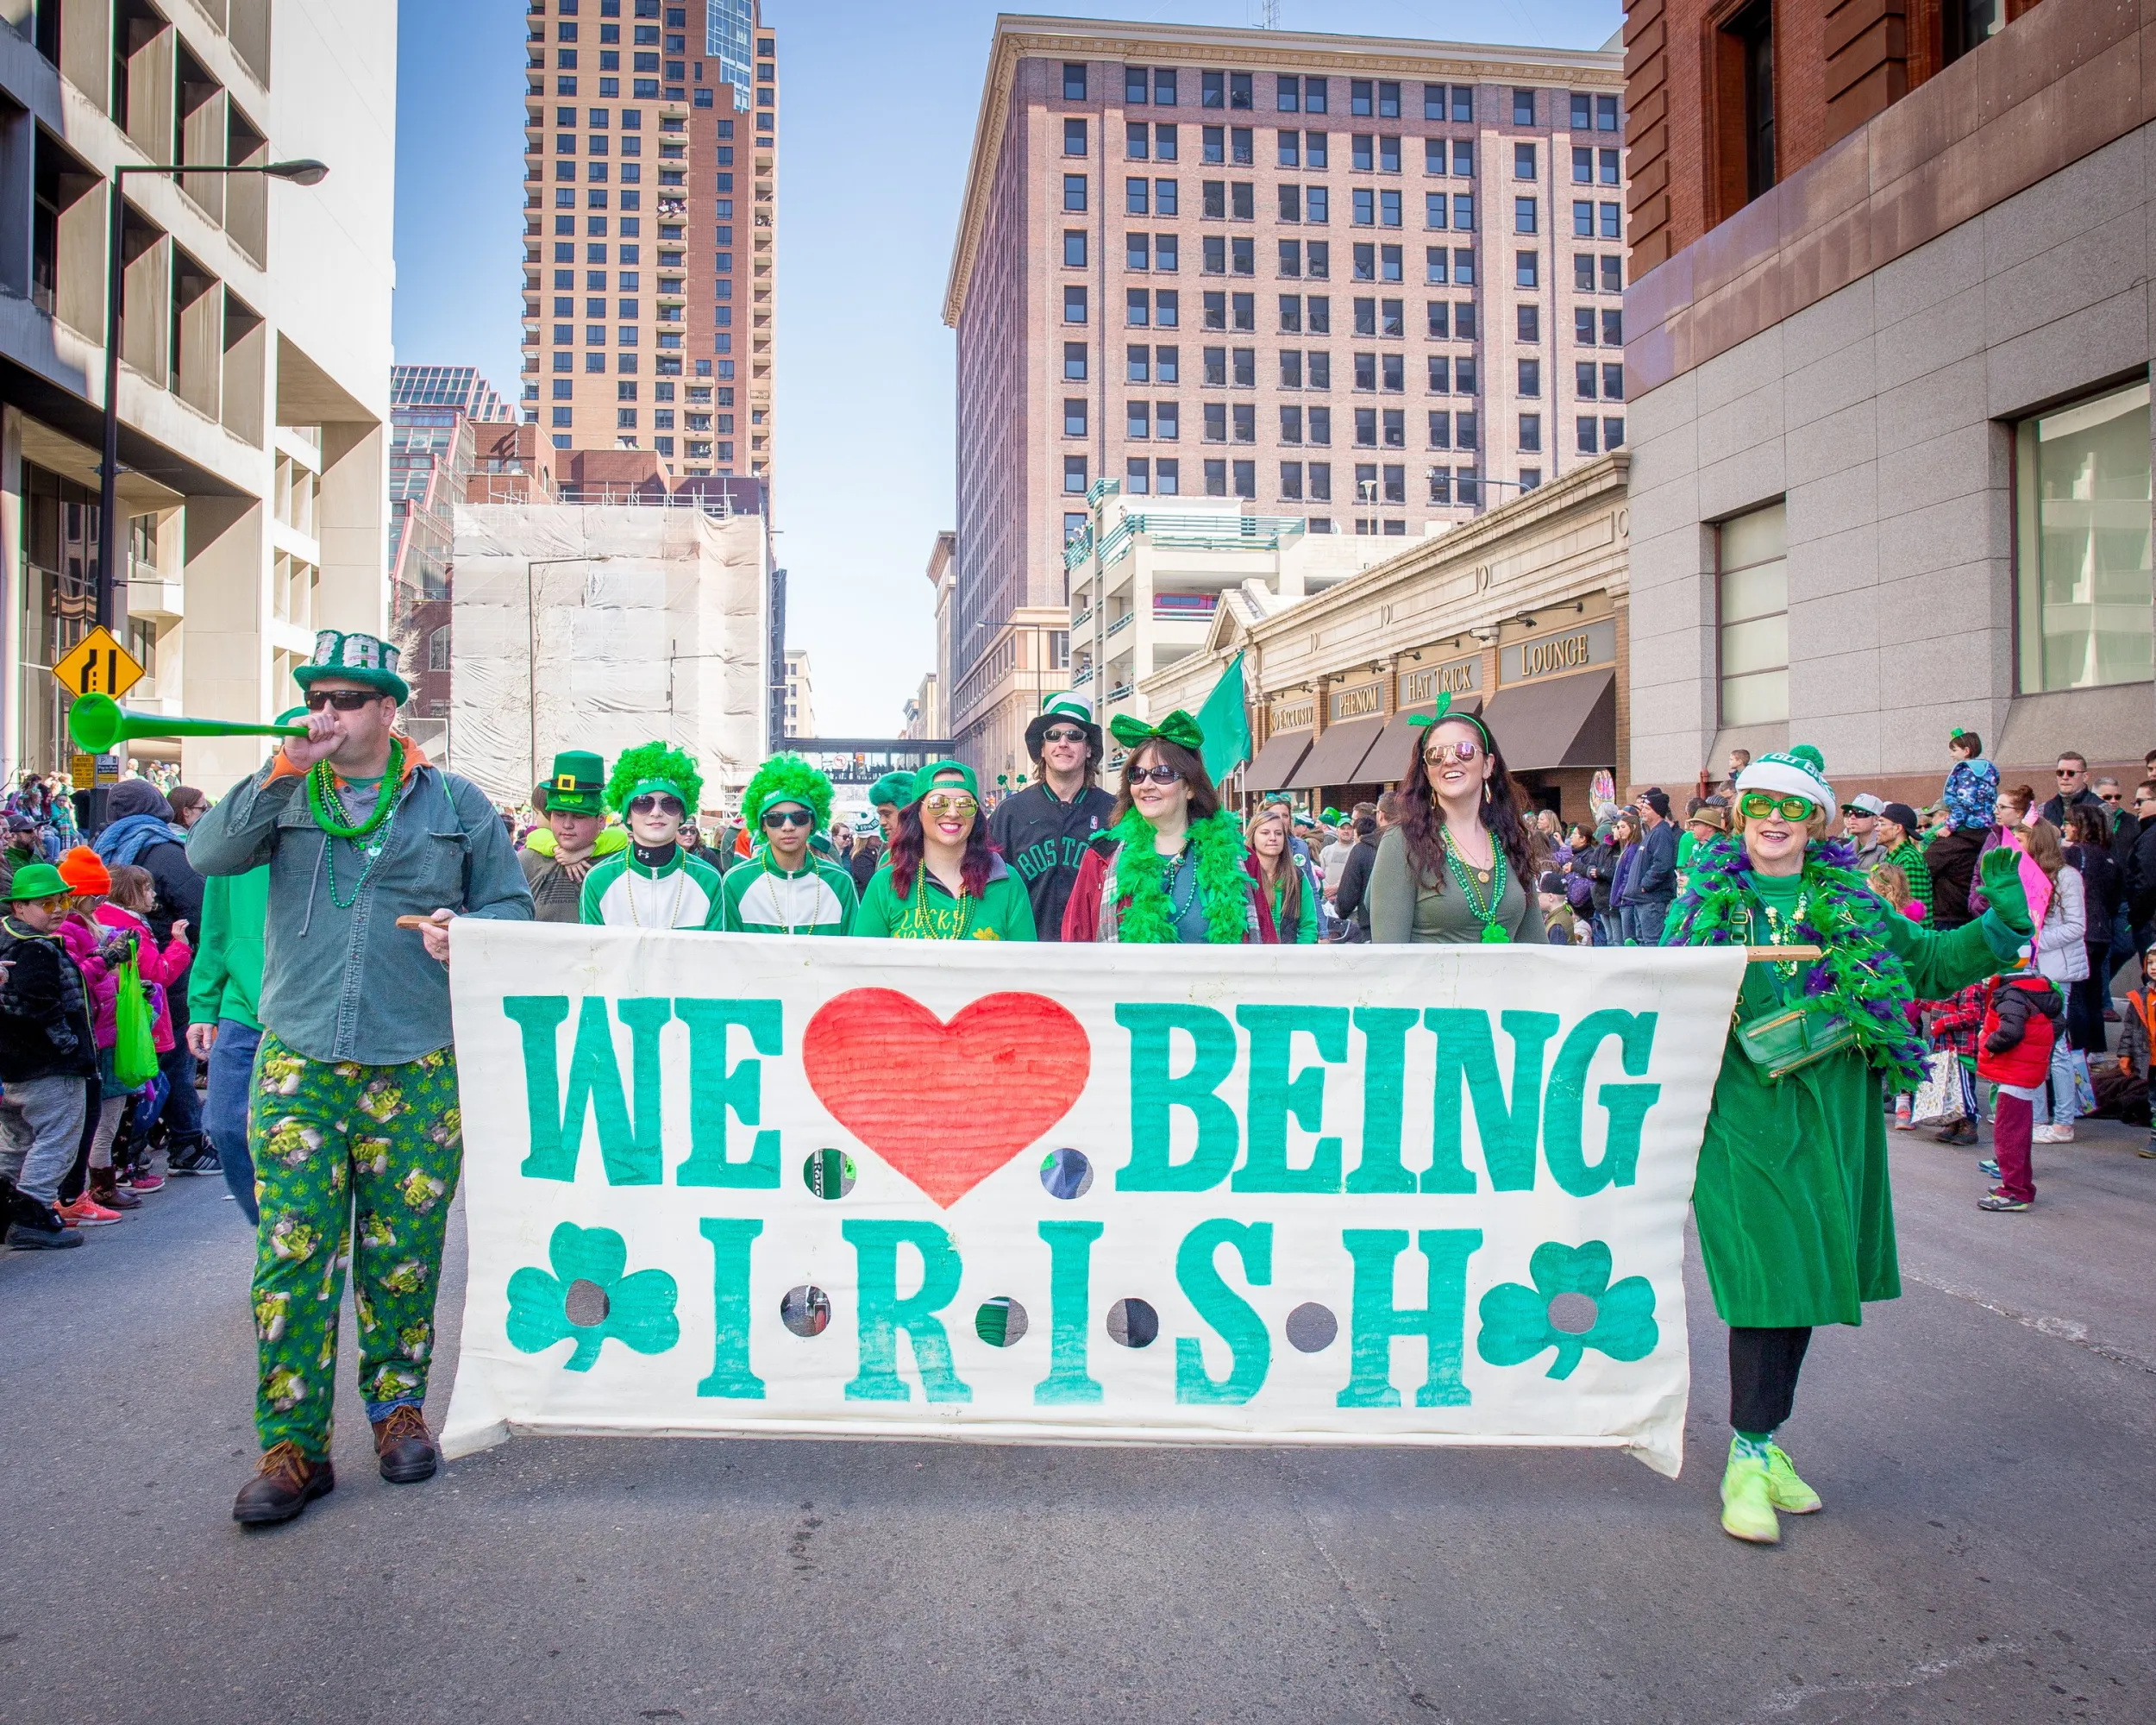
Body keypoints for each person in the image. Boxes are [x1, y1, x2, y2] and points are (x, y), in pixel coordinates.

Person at [188, 627, 534, 1526]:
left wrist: (467, 928)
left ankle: (397, 1411)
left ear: (390, 709)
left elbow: (511, 906)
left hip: (415, 1057)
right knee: (293, 1253)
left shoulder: (455, 803)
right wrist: (277, 769)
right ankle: (292, 1443)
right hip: (300, 1054)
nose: (327, 712)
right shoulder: (288, 790)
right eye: (318, 697)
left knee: (404, 1253)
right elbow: (209, 857)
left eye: (348, 699)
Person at [1662, 743, 2031, 1545]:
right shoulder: (1699, 906)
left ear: (1817, 821)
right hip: (1741, 1117)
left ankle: (1763, 1445)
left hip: (1833, 1118)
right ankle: (1748, 1455)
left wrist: (1998, 929)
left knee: (1806, 1277)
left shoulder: (1856, 904)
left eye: (1793, 808)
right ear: (1738, 815)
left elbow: (1931, 965)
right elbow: (1653, 999)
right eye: (1758, 805)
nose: (1773, 822)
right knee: (1767, 1277)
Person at [95, 776, 213, 1176]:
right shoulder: (163, 848)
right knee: (173, 1060)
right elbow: (200, 907)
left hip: (119, 980)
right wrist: (188, 948)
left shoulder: (105, 845)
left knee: (137, 1067)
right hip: (163, 969)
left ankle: (131, 1153)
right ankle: (186, 1142)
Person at [1062, 711, 1264, 944]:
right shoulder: (1101, 860)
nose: (1147, 785)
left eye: (1163, 774)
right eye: (1137, 775)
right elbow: (1075, 950)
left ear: (1190, 788)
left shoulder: (1240, 861)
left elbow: (1268, 952)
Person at [1369, 692, 1545, 944]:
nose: (1450, 760)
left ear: (1487, 765)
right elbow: (1389, 958)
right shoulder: (1401, 843)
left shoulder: (1511, 840)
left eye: (1464, 750)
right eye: (1436, 755)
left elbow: (1536, 947)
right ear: (1428, 773)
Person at [0, 862, 94, 1249]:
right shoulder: (34, 948)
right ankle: (33, 1213)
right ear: (19, 907)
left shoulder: (9, 941)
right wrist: (68, 1045)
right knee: (57, 1139)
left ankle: (9, 1214)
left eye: (62, 899)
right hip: (47, 1067)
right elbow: (40, 1006)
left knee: (16, 1143)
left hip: (14, 1069)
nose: (57, 909)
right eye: (46, 902)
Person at [987, 693, 1117, 943]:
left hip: (1095, 958)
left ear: (1088, 749)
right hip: (1025, 954)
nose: (1063, 743)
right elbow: (989, 889)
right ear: (1042, 749)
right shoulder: (1011, 813)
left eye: (1075, 736)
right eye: (1054, 736)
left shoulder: (1113, 812)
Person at [856, 761, 1035, 939]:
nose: (952, 813)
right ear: (918, 812)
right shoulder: (885, 883)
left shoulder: (1007, 883)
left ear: (975, 815)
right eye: (937, 803)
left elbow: (1025, 964)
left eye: (964, 804)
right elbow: (863, 963)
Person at [580, 743, 724, 930]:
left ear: (682, 814)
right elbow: (592, 954)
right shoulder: (599, 879)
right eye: (642, 803)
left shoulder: (708, 879)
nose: (656, 812)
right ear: (628, 815)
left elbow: (714, 955)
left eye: (670, 803)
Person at [719, 755, 860, 934]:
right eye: (775, 819)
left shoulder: (839, 881)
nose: (788, 827)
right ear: (763, 825)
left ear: (812, 823)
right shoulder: (736, 881)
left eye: (799, 818)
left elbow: (852, 953)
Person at [1977, 967, 2061, 1213]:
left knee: (2009, 1136)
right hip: (2026, 1072)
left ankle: (2014, 1192)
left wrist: (1989, 1045)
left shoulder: (2012, 994)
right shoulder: (2041, 988)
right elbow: (2057, 1025)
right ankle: (2020, 1186)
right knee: (2019, 1135)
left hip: (2014, 1073)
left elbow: (2011, 1032)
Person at [2023, 818, 2086, 1145]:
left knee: (2057, 1047)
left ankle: (2064, 1121)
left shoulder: (2067, 877)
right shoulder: (2029, 877)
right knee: (2034, 1044)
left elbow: (2077, 926)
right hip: (2032, 970)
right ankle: (2037, 1118)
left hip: (2057, 972)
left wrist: (2037, 939)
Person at [521, 750, 624, 924]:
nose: (567, 824)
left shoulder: (622, 862)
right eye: (559, 815)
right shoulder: (529, 860)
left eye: (579, 816)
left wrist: (590, 849)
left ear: (601, 821)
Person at [2063, 805, 2118, 1059]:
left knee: (2076, 995)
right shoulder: (2108, 856)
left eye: (2068, 823)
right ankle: (2097, 1049)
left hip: (2080, 931)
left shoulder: (2074, 854)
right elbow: (2115, 899)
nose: (2064, 827)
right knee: (2094, 993)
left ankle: (2079, 1050)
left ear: (2079, 826)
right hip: (2102, 932)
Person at [1244, 800, 1319, 944]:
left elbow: (1308, 926)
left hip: (1290, 962)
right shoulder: (1242, 877)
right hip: (1252, 960)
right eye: (1265, 833)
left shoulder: (1298, 877)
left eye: (1278, 833)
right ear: (1253, 837)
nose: (1273, 838)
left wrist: (1296, 960)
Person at [1619, 789, 1677, 945]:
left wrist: (1645, 885)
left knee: (1651, 943)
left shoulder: (1661, 833)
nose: (1642, 811)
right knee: (1643, 942)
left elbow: (1662, 865)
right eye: (1642, 808)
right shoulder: (1652, 833)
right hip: (1643, 900)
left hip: (1652, 900)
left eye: (1647, 808)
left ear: (1658, 812)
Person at [1331, 810, 1382, 941]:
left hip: (1368, 926)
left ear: (1357, 834)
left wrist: (1340, 910)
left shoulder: (1360, 850)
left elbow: (1348, 893)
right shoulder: (1391, 847)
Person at [1874, 803, 1932, 916]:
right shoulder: (1892, 856)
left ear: (1897, 828)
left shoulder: (1909, 860)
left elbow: (1914, 911)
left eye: (1881, 823)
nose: (1876, 828)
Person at [1941, 728, 1999, 834]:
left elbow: (1965, 803)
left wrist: (1949, 827)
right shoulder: (1986, 769)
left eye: (1954, 750)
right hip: (1988, 824)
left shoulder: (1967, 772)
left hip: (1969, 826)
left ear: (1966, 751)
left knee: (1934, 848)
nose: (1951, 754)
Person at [2040, 750, 2105, 829]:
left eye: (2071, 773)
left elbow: (2105, 839)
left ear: (2085, 777)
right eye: (2060, 773)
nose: (2064, 777)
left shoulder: (2101, 808)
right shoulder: (2044, 808)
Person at [868, 771, 913, 847]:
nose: (881, 822)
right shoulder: (887, 856)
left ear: (908, 813)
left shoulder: (934, 851)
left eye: (887, 814)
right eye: (880, 815)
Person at [1843, 794, 1887, 872]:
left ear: (1876, 820)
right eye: (1850, 812)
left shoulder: (1885, 848)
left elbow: (1882, 880)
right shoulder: (1846, 849)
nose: (1852, 817)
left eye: (1859, 813)